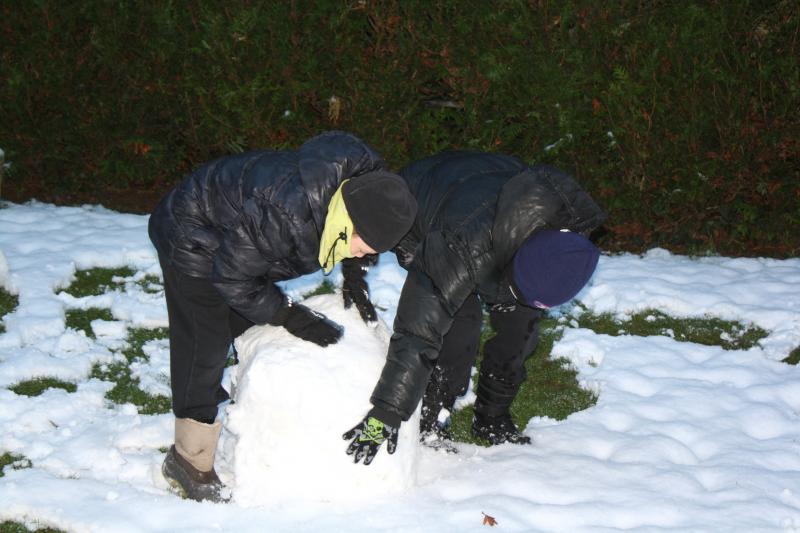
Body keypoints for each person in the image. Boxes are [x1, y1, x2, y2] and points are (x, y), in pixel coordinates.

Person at [148, 131, 417, 500]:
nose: (360, 255)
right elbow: (232, 277)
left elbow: (358, 233)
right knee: (203, 344)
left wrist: (355, 275)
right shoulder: (287, 214)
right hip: (189, 232)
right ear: (348, 220)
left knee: (242, 320)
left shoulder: (366, 192)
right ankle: (187, 459)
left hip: (237, 237)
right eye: (360, 248)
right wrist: (289, 315)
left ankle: (233, 398)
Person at [343, 150, 606, 464]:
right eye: (513, 291)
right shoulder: (460, 245)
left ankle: (491, 417)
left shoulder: (564, 232)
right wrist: (387, 411)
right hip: (430, 205)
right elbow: (418, 332)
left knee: (520, 326)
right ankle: (433, 415)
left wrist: (519, 302)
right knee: (459, 324)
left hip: (493, 195)